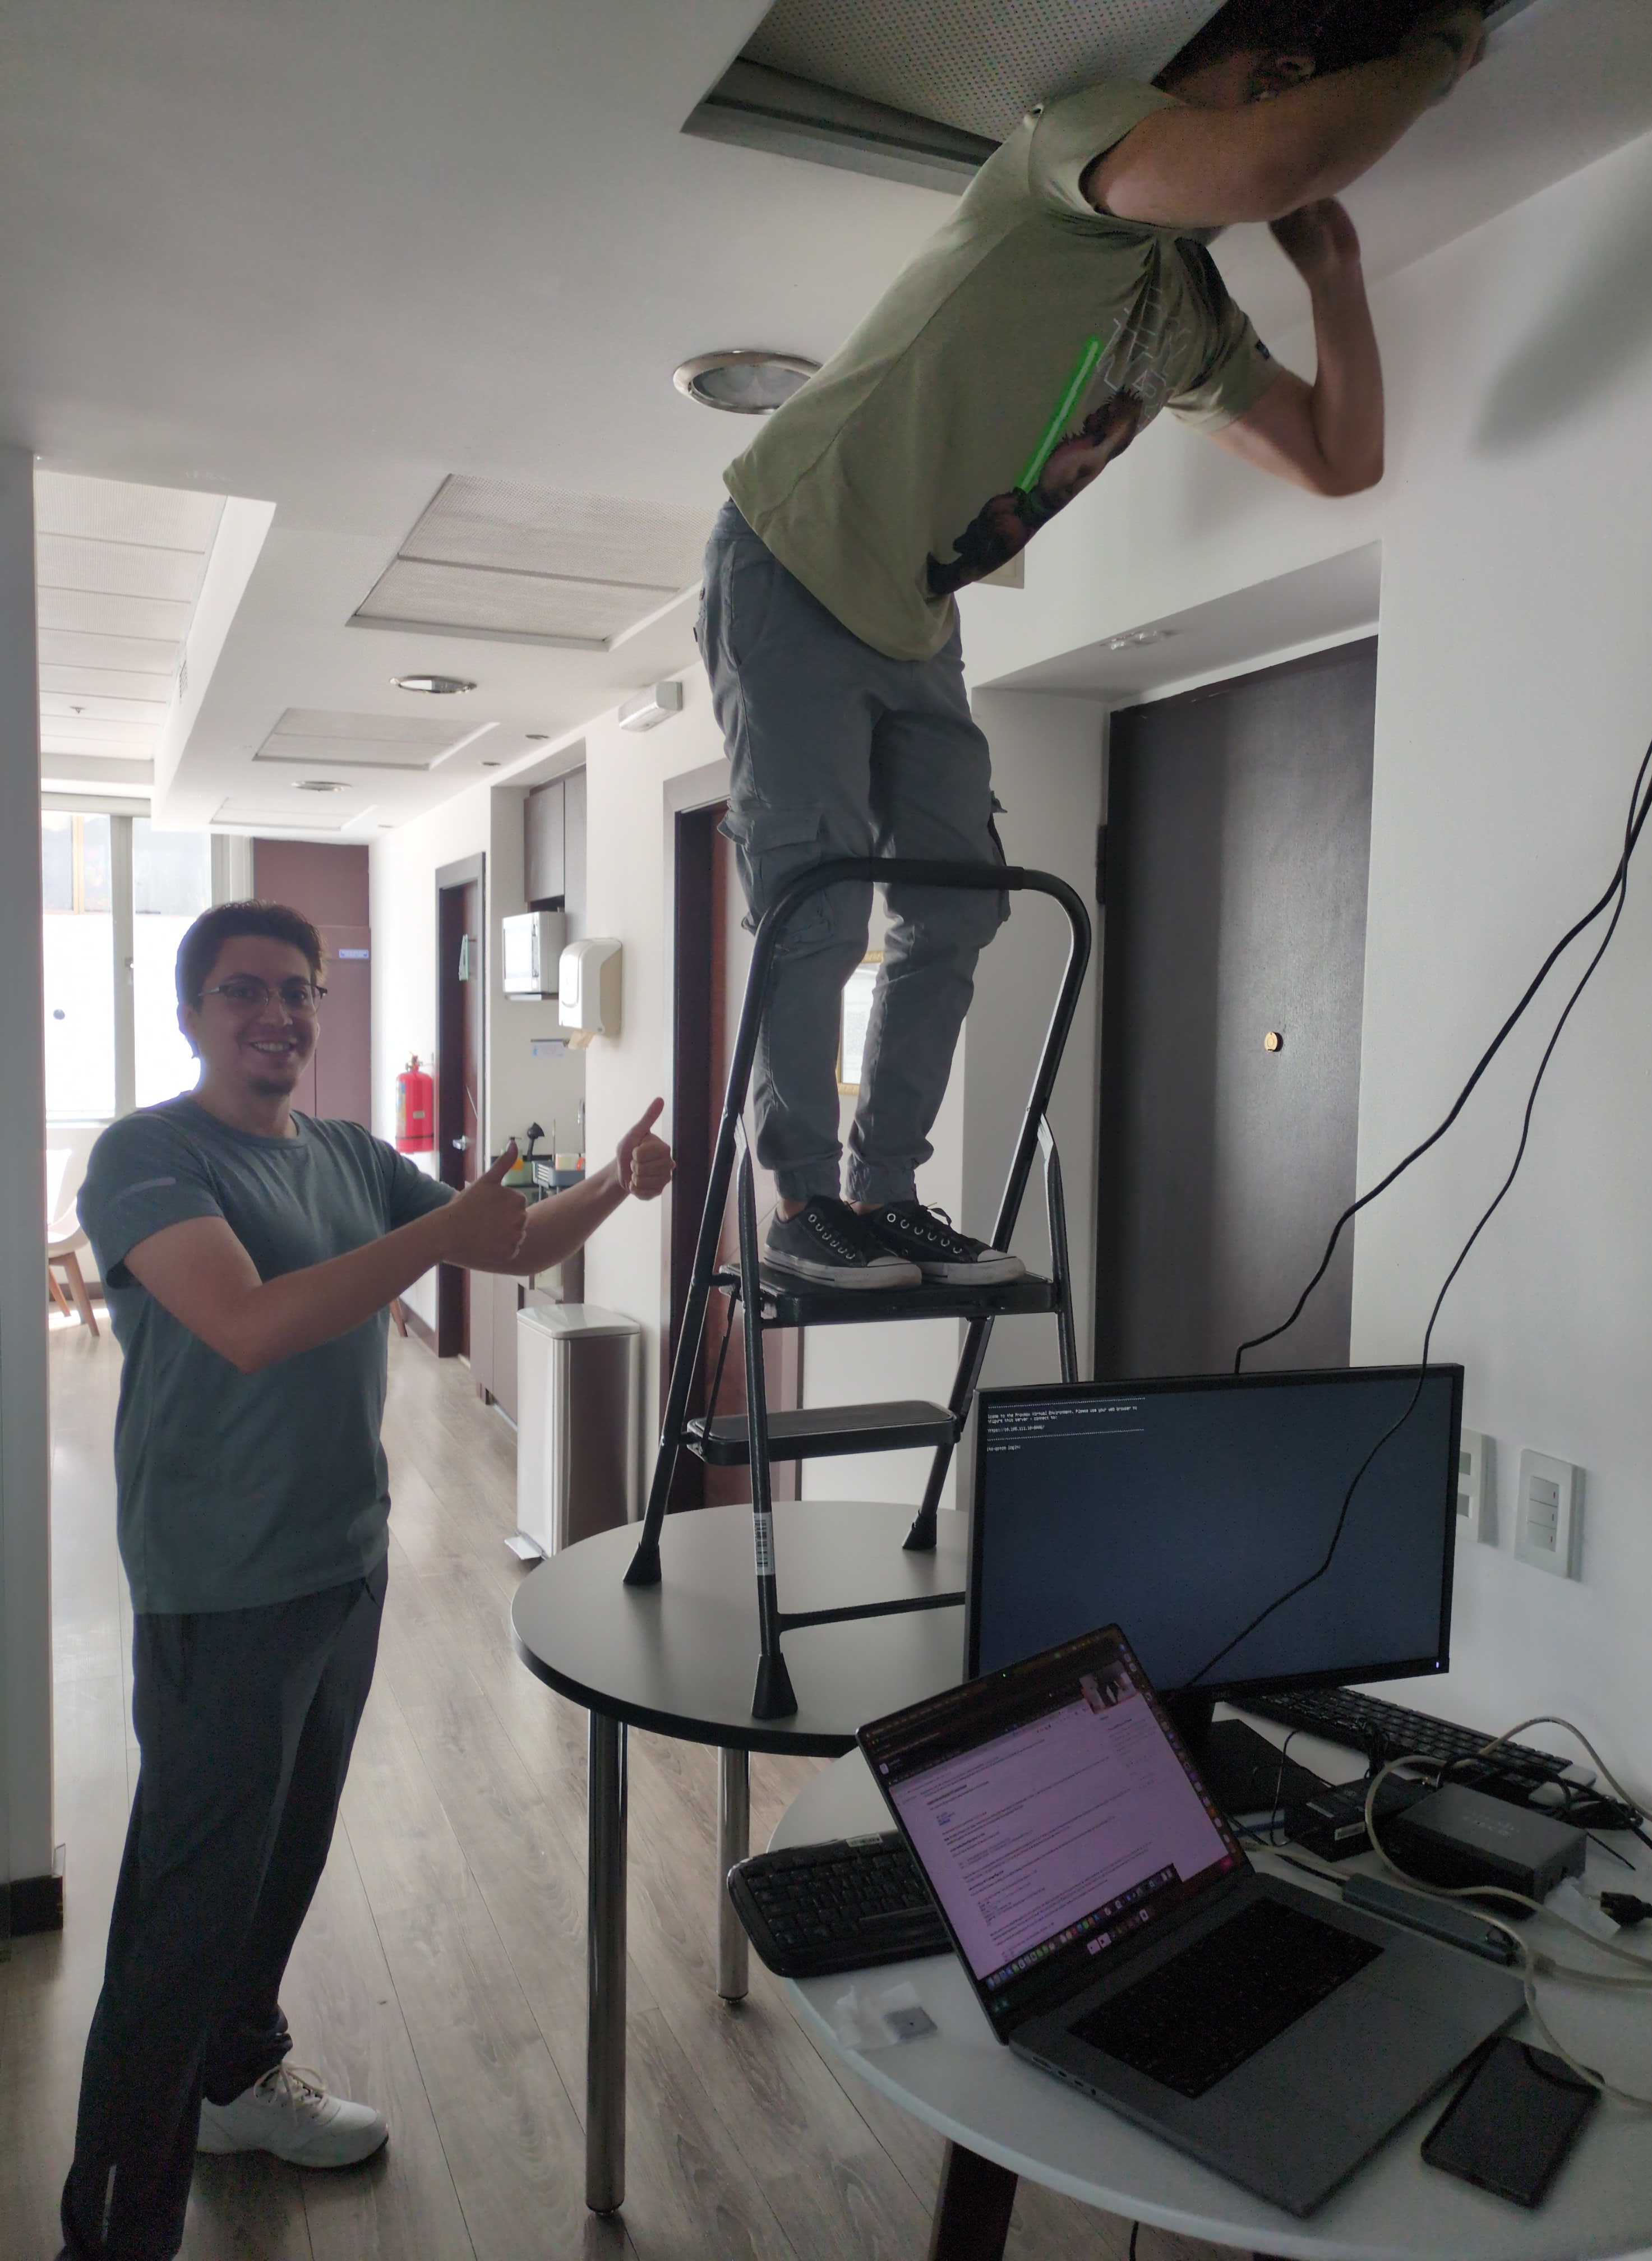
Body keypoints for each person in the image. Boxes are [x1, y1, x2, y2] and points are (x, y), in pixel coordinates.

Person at [700, 0, 1485, 1293]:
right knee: (820, 889)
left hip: (912, 612)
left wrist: (1335, 278)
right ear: (1272, 73)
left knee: (957, 895)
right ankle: (802, 1205)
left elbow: (1344, 457)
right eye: (1287, 94)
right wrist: (1431, 56)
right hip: (795, 547)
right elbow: (1274, 159)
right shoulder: (1080, 143)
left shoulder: (1185, 314)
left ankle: (884, 1191)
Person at [60, 899, 673, 2261]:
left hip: (344, 1564)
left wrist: (613, 1186)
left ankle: (237, 2077)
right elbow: (252, 1322)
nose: (277, 1014)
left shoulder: (344, 1151)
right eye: (242, 993)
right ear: (191, 1012)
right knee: (181, 1919)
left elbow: (505, 1246)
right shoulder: (148, 1157)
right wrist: (446, 1224)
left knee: (280, 1864)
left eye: (298, 991)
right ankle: (112, 2231)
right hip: (218, 1586)